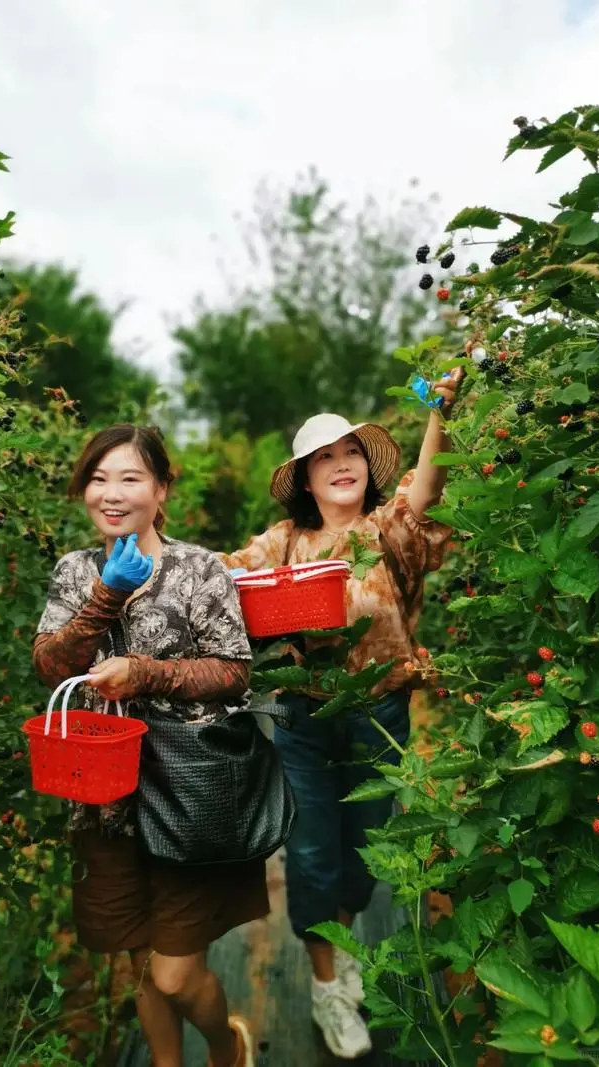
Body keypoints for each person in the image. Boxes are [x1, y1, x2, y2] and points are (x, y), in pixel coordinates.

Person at [221, 370, 463, 1060]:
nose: (340, 464)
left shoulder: (389, 531)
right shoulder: (282, 544)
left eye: (349, 452)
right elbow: (226, 573)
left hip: (379, 713)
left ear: (365, 467)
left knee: (363, 853)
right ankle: (328, 985)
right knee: (310, 855)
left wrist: (439, 415)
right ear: (304, 477)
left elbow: (427, 491)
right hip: (303, 716)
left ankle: (346, 947)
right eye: (323, 457)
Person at [32, 424, 262, 1067]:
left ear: (161, 490)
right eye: (98, 479)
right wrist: (105, 593)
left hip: (184, 789)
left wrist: (147, 673)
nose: (111, 493)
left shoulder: (200, 570)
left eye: (130, 478)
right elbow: (51, 666)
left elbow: (235, 669)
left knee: (175, 974)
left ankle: (225, 1045)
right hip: (103, 796)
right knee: (140, 960)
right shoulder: (75, 571)